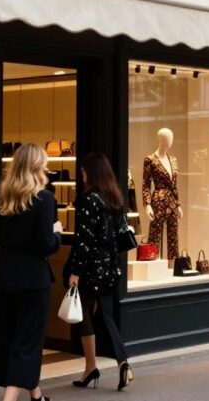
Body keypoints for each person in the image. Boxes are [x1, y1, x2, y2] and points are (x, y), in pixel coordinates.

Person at [0, 143, 63, 401]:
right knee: (27, 344)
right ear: (37, 167)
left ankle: (36, 394)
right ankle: (9, 399)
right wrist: (57, 234)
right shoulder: (44, 200)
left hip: (6, 282)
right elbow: (44, 245)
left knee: (11, 339)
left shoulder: (2, 199)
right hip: (33, 282)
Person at [67, 153, 133, 391]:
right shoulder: (114, 198)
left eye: (83, 171)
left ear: (91, 173)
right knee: (107, 317)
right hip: (110, 269)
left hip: (91, 270)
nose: (82, 175)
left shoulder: (89, 200)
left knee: (84, 315)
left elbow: (83, 241)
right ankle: (123, 362)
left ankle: (91, 366)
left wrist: (75, 271)